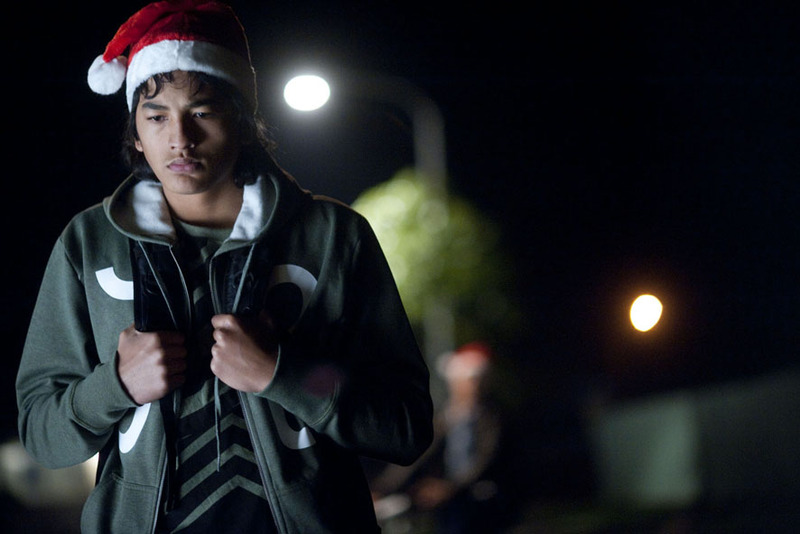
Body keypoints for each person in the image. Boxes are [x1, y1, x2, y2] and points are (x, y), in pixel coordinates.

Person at [15, 1, 433, 533]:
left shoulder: (333, 236)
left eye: (203, 112)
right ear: (136, 132)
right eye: (157, 116)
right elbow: (42, 435)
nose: (180, 138)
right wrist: (115, 385)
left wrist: (284, 374)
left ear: (243, 121)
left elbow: (405, 427)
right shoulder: (88, 243)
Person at [372, 342, 506, 534]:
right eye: (463, 381)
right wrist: (384, 487)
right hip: (449, 503)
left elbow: (486, 459)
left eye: (475, 380)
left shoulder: (493, 418)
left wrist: (450, 487)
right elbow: (420, 454)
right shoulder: (445, 418)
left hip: (482, 497)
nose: (469, 387)